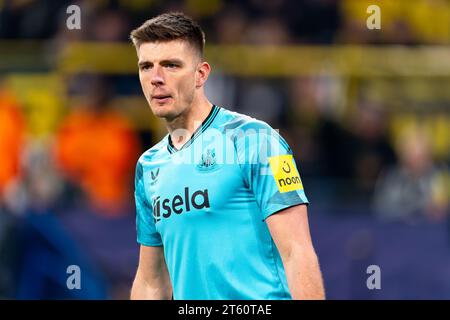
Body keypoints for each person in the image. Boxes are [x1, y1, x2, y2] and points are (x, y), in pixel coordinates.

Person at [129, 12, 325, 300]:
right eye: (146, 66)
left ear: (201, 74)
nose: (156, 78)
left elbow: (297, 252)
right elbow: (151, 282)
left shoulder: (256, 141)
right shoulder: (149, 166)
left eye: (171, 65)